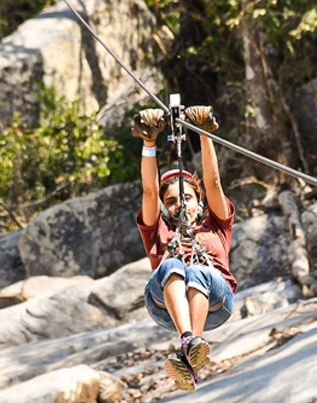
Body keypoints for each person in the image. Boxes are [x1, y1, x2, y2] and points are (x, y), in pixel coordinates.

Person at [132, 105, 237, 391]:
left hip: (216, 302)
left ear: (198, 202)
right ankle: (190, 342)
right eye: (172, 201)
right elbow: (150, 191)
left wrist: (204, 133)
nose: (180, 205)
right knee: (172, 265)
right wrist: (149, 142)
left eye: (187, 198)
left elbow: (213, 183)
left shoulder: (216, 224)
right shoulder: (158, 231)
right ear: (165, 210)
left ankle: (191, 345)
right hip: (164, 307)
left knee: (199, 271)